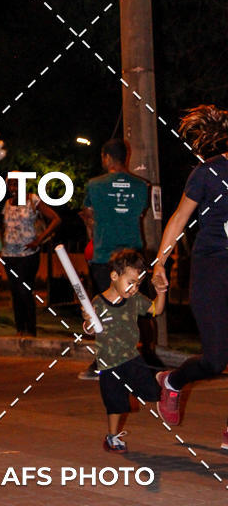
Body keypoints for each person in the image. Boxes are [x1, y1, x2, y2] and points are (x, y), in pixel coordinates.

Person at [152, 105, 228, 443]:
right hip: (212, 268)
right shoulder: (207, 173)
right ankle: (172, 382)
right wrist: (159, 264)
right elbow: (179, 220)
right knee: (215, 360)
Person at [78, 138, 150, 379]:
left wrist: (93, 228)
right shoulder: (142, 186)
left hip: (104, 255)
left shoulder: (95, 185)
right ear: (126, 157)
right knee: (135, 308)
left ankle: (105, 361)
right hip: (133, 256)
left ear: (106, 157)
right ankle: (142, 356)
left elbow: (89, 216)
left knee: (107, 310)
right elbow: (138, 213)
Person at [83, 249, 165, 452]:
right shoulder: (98, 303)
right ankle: (112, 437)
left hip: (131, 358)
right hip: (108, 363)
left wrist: (161, 292)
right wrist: (88, 322)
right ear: (114, 276)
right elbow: (88, 328)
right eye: (130, 282)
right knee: (115, 403)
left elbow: (156, 310)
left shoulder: (135, 300)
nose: (134, 288)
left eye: (138, 284)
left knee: (153, 392)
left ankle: (165, 382)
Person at [0, 176, 60, 335]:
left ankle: (30, 330)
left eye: (17, 182)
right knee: (15, 292)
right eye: (11, 183)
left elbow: (56, 219)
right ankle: (20, 330)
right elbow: (2, 227)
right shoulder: (7, 203)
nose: (13, 186)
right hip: (9, 255)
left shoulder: (32, 199)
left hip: (28, 254)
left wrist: (39, 240)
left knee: (25, 290)